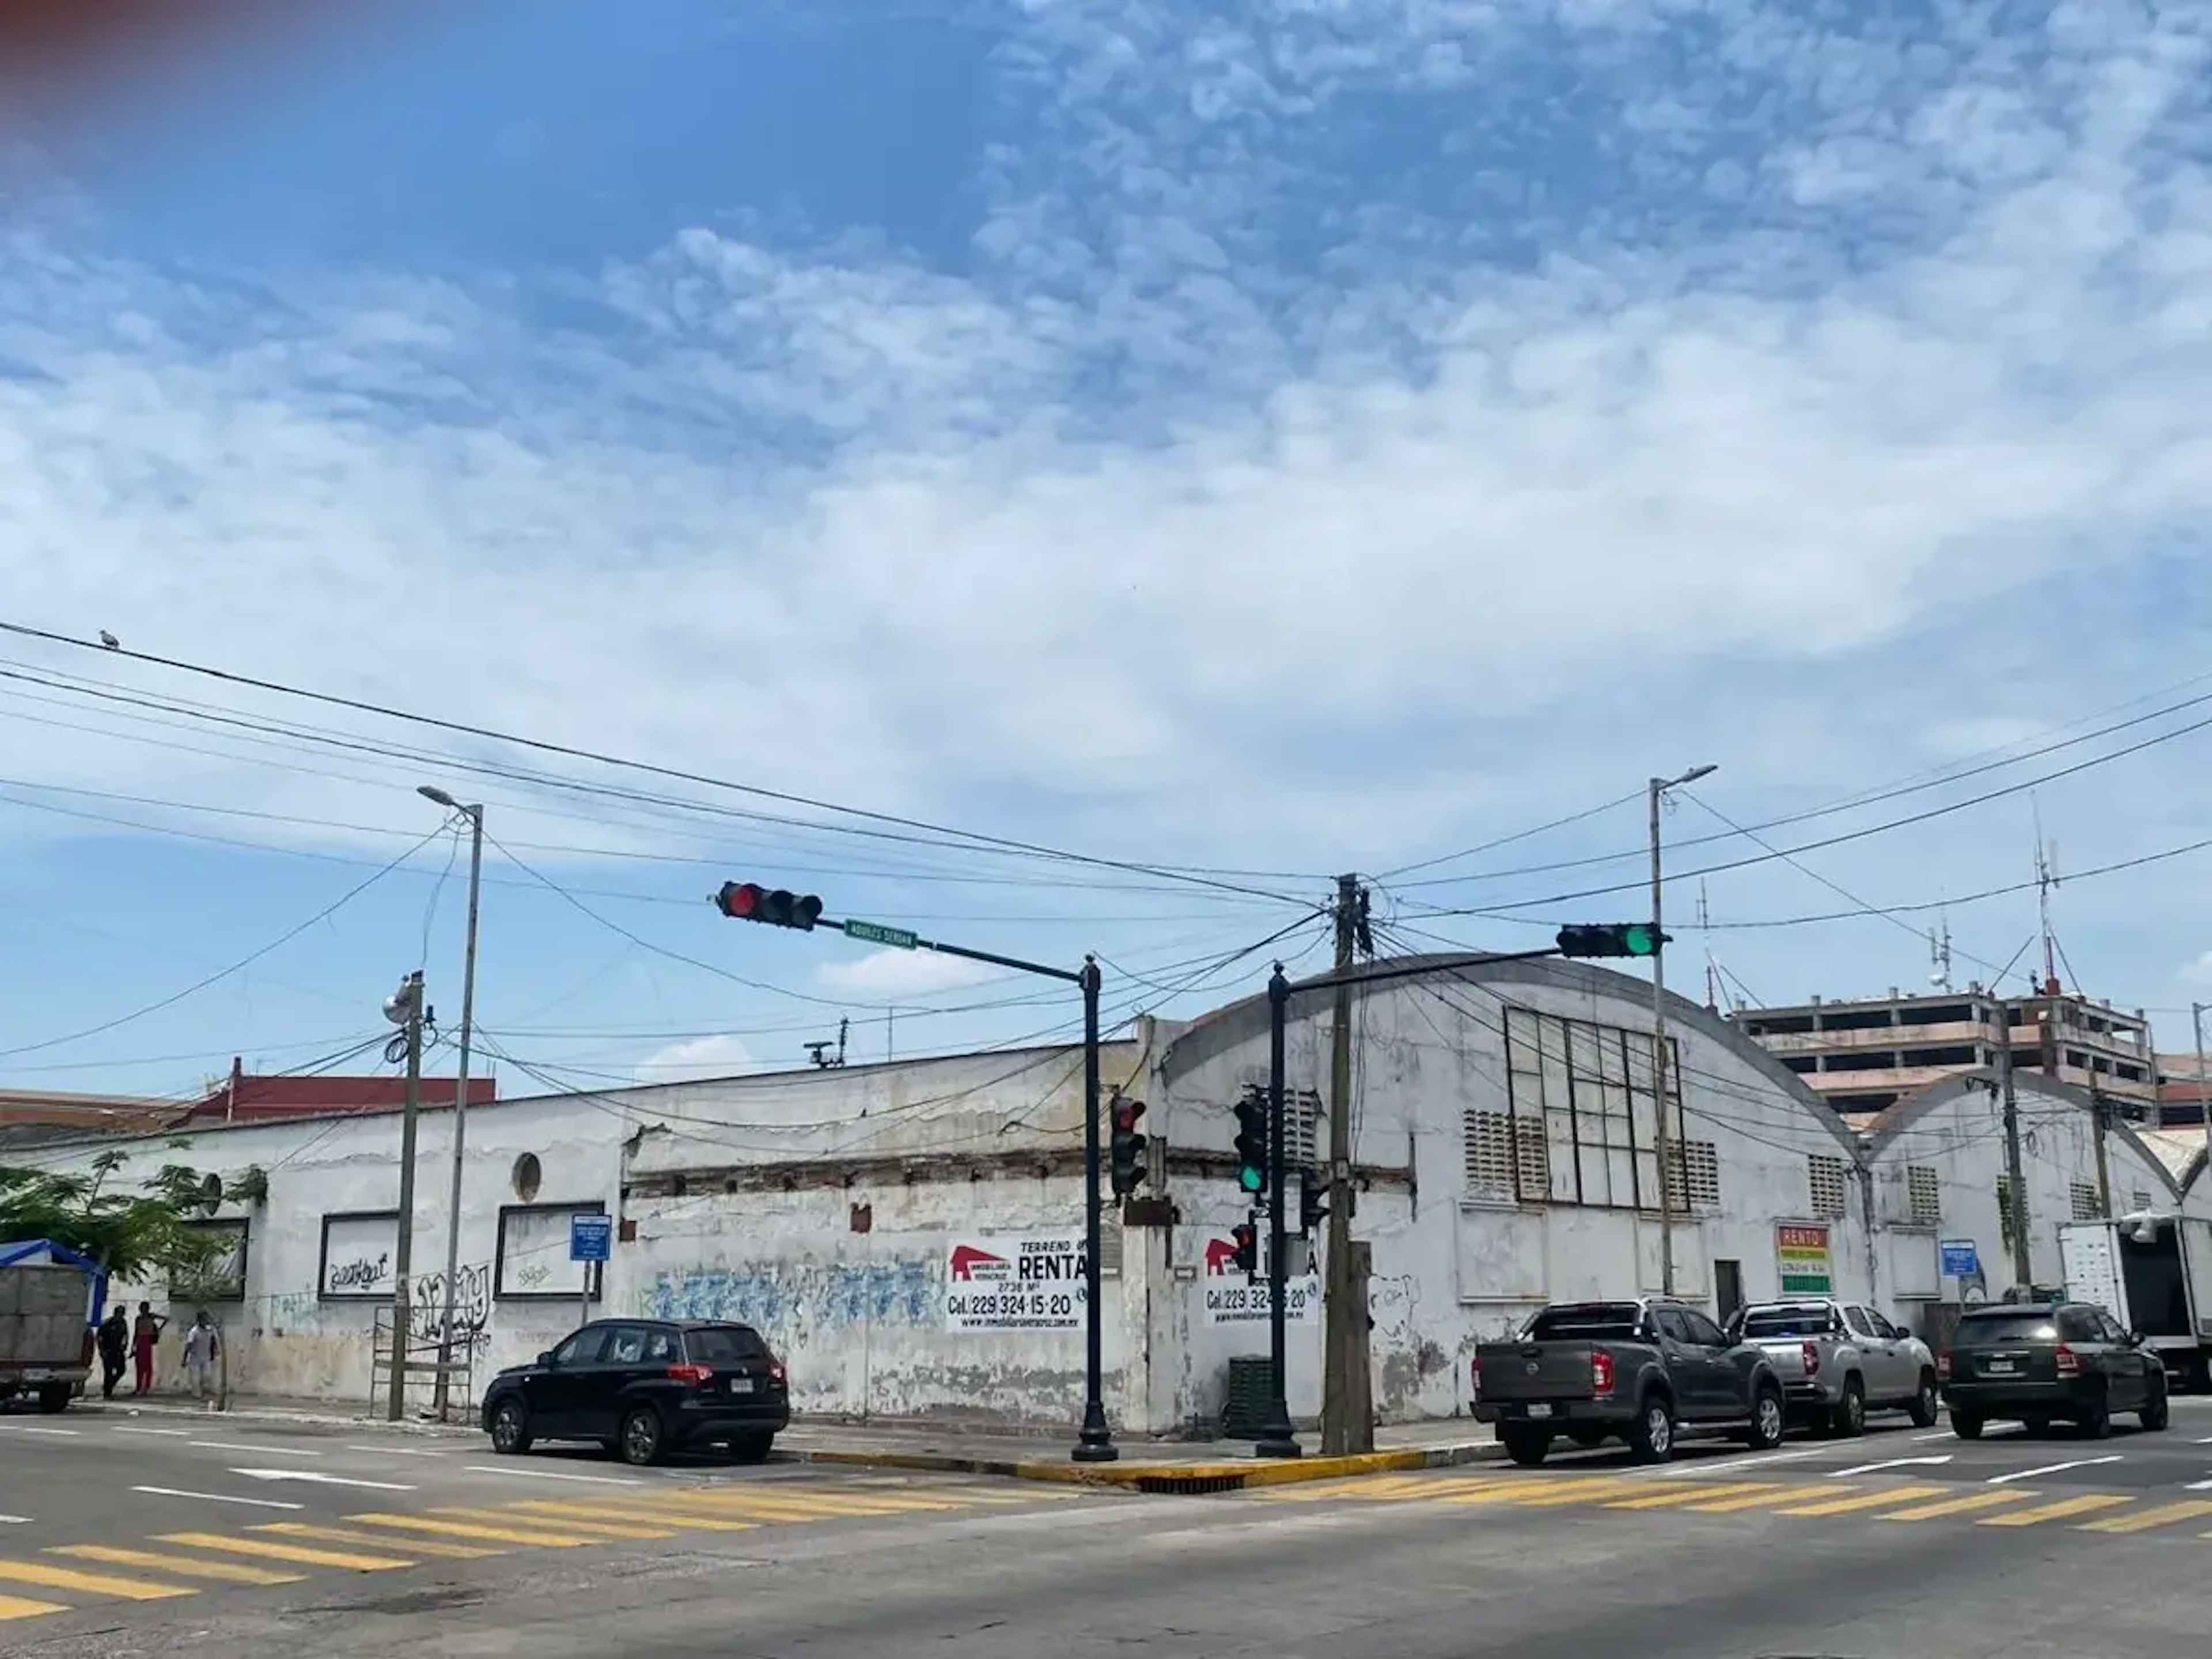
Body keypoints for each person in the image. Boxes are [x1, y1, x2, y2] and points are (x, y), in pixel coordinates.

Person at [130, 1301, 167, 1396]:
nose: (143, 1310)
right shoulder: (138, 1318)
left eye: (145, 1308)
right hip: (140, 1341)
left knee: (147, 1366)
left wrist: (159, 1329)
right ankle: (138, 1387)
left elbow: (166, 1319)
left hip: (147, 1341)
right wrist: (133, 1347)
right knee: (139, 1365)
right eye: (141, 1308)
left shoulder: (152, 1316)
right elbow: (136, 1332)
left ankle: (146, 1388)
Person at [182, 1311, 219, 1404]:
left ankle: (203, 1393)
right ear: (199, 1320)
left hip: (206, 1357)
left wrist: (215, 1350)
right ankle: (197, 1396)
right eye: (204, 1319)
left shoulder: (210, 1330)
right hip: (195, 1358)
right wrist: (184, 1359)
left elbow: (213, 1340)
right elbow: (188, 1346)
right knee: (195, 1378)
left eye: (206, 1319)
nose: (206, 1321)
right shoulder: (194, 1332)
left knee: (207, 1376)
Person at [97, 1305, 129, 1400]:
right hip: (108, 1350)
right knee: (108, 1372)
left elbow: (125, 1334)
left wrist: (125, 1345)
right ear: (115, 1313)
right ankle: (107, 1393)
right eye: (120, 1313)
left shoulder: (123, 1322)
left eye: (123, 1313)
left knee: (121, 1370)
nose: (121, 1315)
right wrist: (102, 1350)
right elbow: (99, 1338)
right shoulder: (107, 1324)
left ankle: (109, 1385)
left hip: (118, 1350)